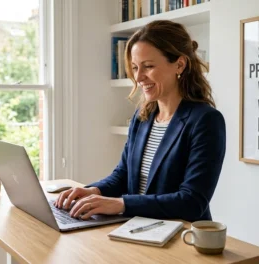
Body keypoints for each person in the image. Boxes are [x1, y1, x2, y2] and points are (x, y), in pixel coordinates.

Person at [54, 20, 226, 222]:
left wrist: (121, 204)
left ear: (180, 64)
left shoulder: (206, 120)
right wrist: (94, 191)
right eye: (135, 68)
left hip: (181, 238)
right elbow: (123, 175)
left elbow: (192, 202)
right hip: (138, 228)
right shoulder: (142, 117)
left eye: (149, 66)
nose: (139, 77)